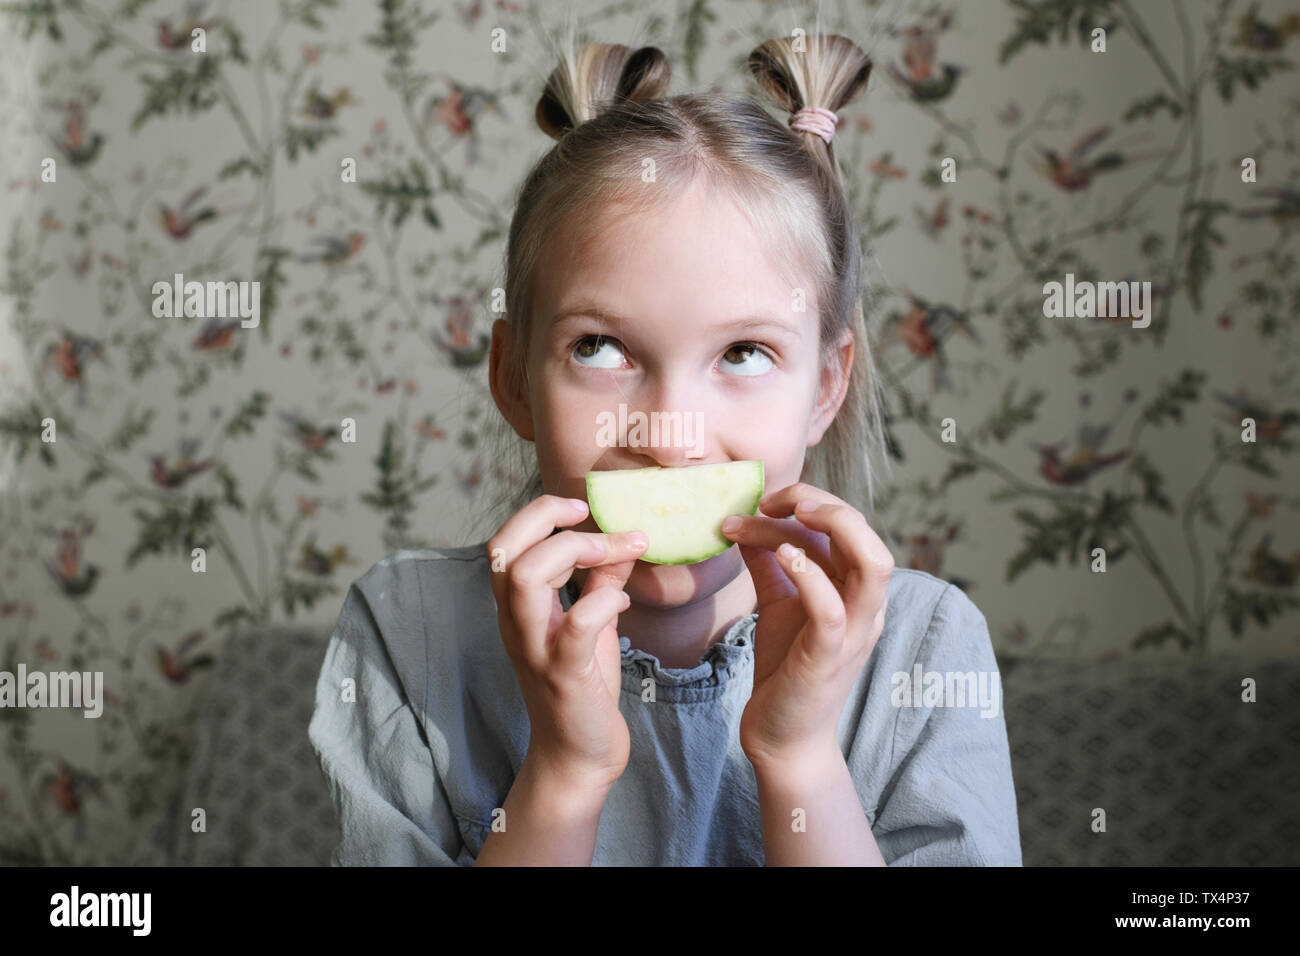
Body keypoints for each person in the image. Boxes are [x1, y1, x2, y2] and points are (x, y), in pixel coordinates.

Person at [308, 27, 1022, 866]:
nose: (669, 438)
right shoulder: (406, 635)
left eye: (744, 354)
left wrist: (799, 760)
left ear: (826, 387)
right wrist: (566, 774)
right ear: (512, 379)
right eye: (600, 348)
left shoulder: (926, 646)